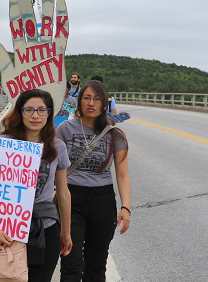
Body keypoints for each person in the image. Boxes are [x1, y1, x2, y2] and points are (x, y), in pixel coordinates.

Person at [0, 89, 73, 282]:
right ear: (20, 112)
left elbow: (63, 193)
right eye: (29, 110)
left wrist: (66, 232)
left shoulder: (57, 146)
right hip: (9, 231)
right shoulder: (4, 143)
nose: (35, 115)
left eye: (41, 110)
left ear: (49, 113)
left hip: (46, 229)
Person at [58, 80, 131, 282]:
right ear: (79, 102)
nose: (91, 103)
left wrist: (126, 207)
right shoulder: (64, 129)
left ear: (104, 104)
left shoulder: (115, 135)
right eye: (87, 98)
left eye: (97, 99)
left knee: (96, 265)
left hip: (103, 201)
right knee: (71, 263)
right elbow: (48, 161)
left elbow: (122, 174)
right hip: (70, 200)